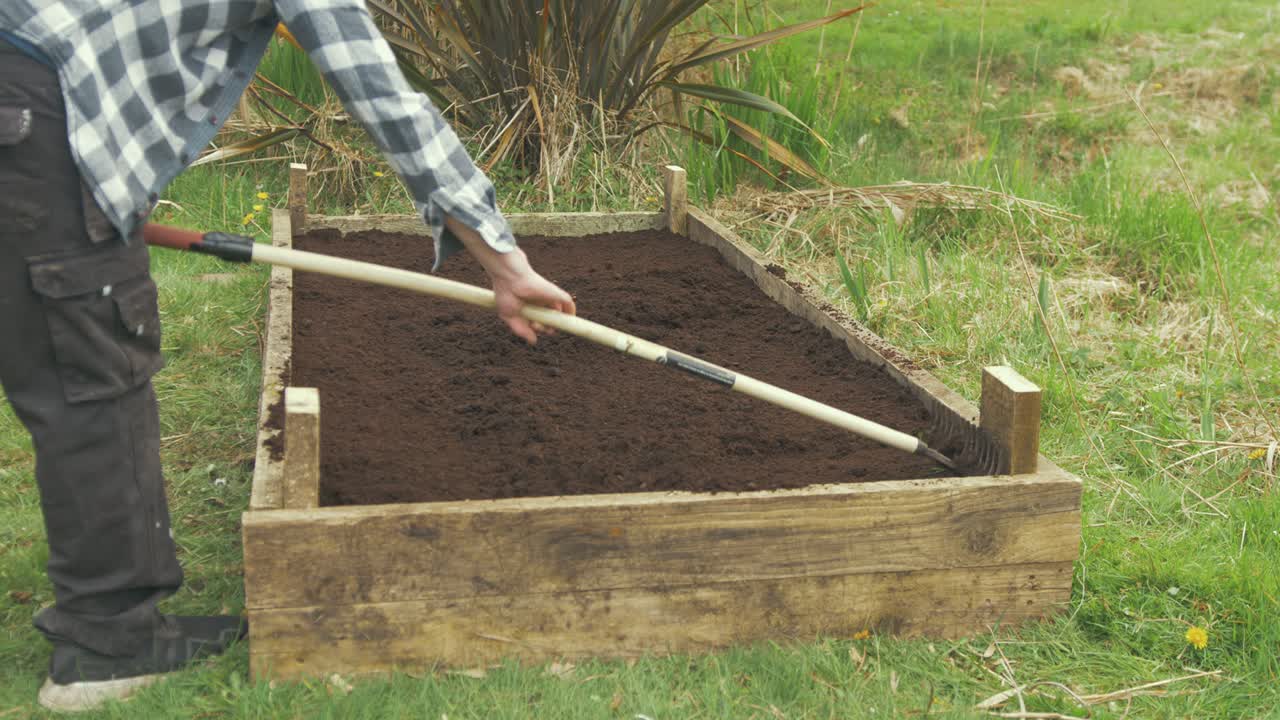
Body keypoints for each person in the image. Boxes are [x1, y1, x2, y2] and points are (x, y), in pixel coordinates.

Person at [0, 1, 576, 712]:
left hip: (23, 92)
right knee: (88, 364)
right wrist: (503, 259)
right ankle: (107, 645)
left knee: (46, 337)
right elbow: (379, 90)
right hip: (32, 103)